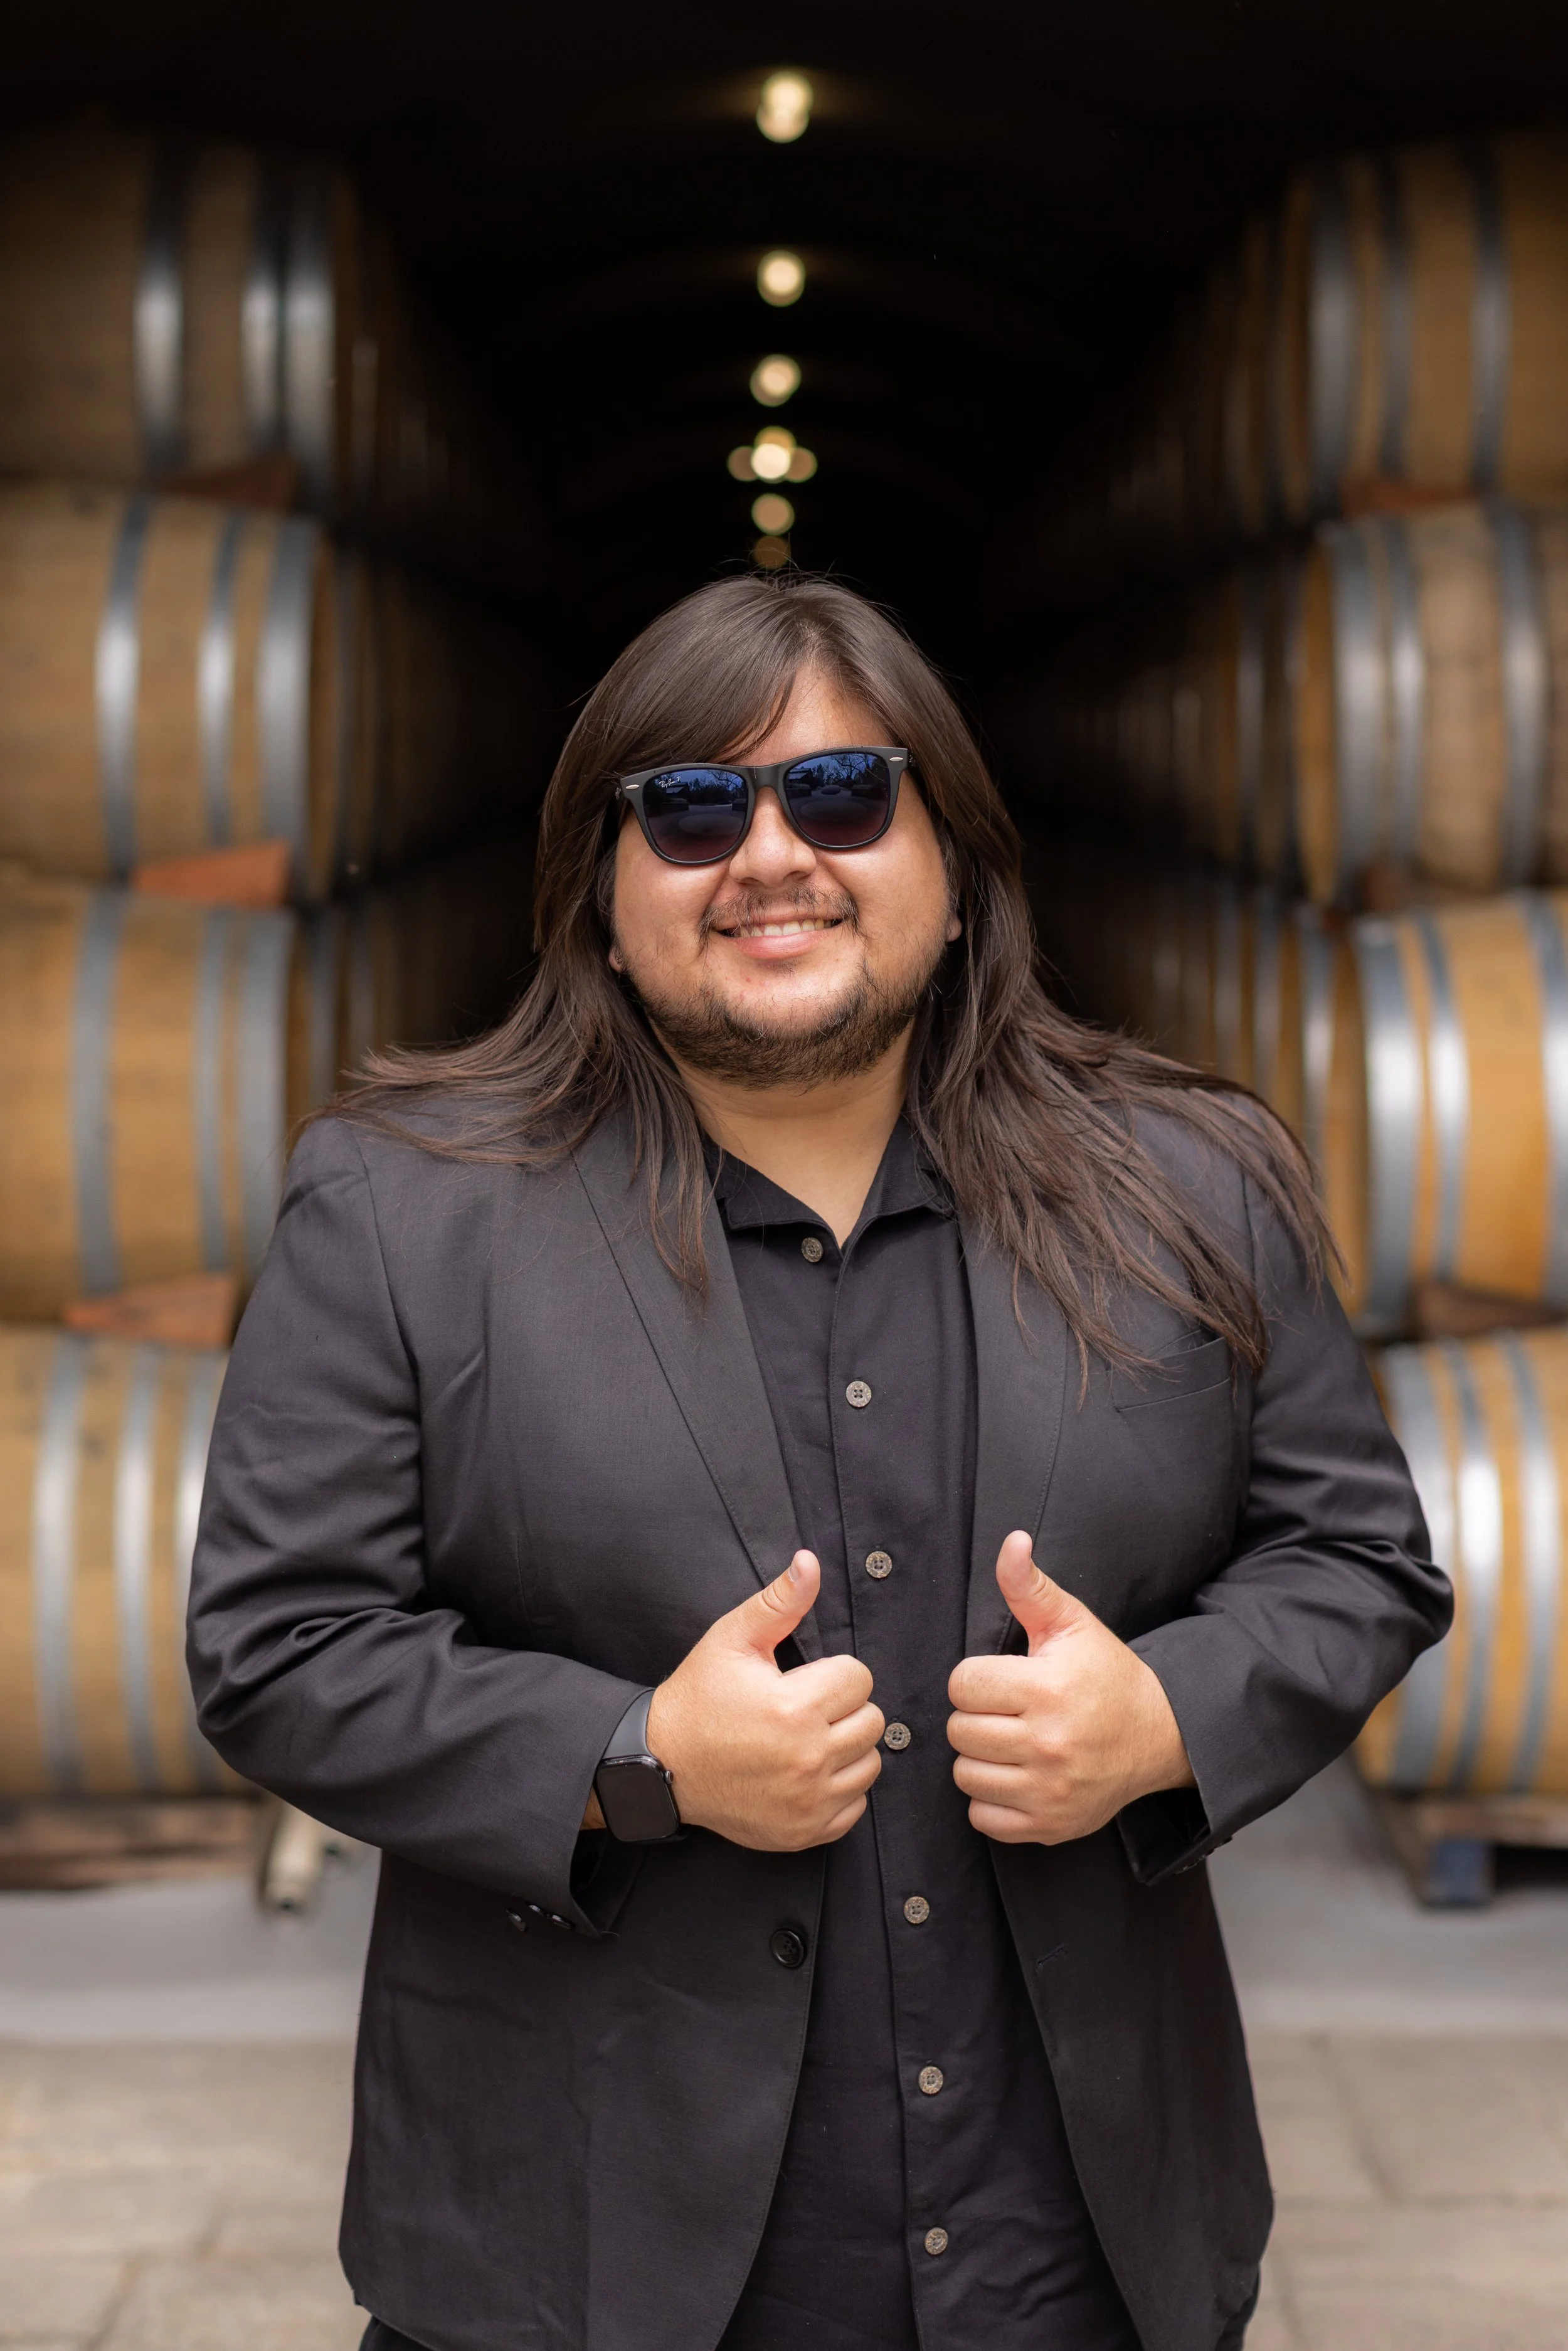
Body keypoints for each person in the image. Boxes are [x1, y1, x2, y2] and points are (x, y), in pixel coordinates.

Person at [188, 575, 1447, 2351]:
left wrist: (1166, 1719)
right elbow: (280, 1645)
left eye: (842, 793)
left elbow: (1355, 1559)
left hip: (1077, 2253)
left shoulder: (1189, 1183)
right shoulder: (403, 1213)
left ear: (953, 868)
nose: (771, 851)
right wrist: (636, 1767)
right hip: (580, 2261)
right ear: (605, 906)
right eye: (692, 809)